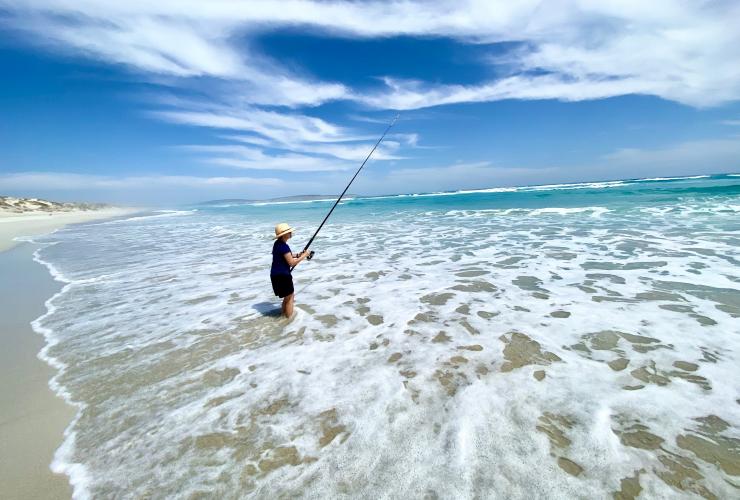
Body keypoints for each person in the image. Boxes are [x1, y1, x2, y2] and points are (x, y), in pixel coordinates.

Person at [270, 223, 311, 318]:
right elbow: (292, 263)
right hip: (282, 276)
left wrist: (298, 255)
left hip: (275, 275)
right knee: (289, 298)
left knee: (287, 297)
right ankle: (288, 320)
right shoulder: (284, 246)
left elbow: (286, 256)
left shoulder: (277, 244)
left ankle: (283, 316)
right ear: (284, 235)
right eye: (289, 232)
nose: (291, 233)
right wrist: (304, 256)